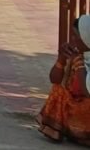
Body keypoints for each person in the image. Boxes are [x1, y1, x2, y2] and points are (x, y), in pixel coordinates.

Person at [37, 15, 90, 145]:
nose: (73, 40)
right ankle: (70, 132)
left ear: (86, 38)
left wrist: (79, 64)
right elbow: (54, 79)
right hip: (75, 110)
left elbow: (87, 91)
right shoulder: (76, 54)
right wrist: (61, 59)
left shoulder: (79, 59)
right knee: (58, 90)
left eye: (76, 36)